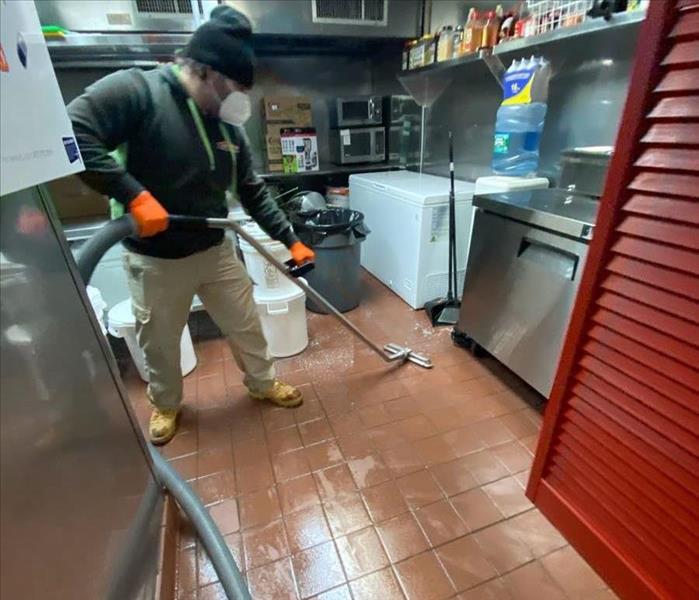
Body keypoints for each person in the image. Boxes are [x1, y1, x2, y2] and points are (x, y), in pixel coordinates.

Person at [67, 5, 315, 445]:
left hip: (215, 249)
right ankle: (166, 404)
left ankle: (262, 383)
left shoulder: (225, 125)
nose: (238, 98)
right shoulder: (138, 90)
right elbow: (72, 132)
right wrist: (134, 196)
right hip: (156, 258)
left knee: (246, 325)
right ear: (207, 72)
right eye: (235, 87)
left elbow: (252, 189)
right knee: (160, 345)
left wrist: (290, 241)